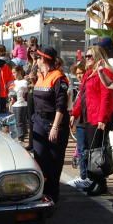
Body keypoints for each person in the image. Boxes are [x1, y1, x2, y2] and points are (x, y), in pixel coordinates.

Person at [70, 46, 113, 196]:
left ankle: (100, 183)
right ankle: (95, 180)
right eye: (86, 56)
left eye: (90, 56)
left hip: (97, 117)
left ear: (97, 57)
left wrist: (102, 118)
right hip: (87, 117)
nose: (87, 59)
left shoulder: (104, 73)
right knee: (90, 151)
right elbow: (81, 95)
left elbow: (106, 97)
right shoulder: (88, 74)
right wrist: (74, 113)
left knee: (97, 152)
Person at [31, 46, 69, 204]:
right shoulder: (40, 76)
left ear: (44, 59)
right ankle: (42, 193)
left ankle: (53, 196)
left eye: (38, 58)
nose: (36, 61)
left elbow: (61, 105)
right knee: (39, 160)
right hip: (39, 121)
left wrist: (55, 127)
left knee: (54, 162)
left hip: (54, 123)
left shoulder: (59, 77)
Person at [9, 64, 30, 143]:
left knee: (19, 122)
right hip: (15, 104)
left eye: (15, 72)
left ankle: (21, 138)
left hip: (21, 104)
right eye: (13, 73)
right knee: (19, 121)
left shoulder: (24, 82)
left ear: (20, 72)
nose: (13, 74)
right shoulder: (14, 82)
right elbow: (12, 92)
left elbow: (25, 92)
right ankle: (22, 134)